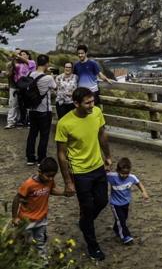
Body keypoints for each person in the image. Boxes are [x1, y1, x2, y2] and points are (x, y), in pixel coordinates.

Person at [56, 87, 112, 261]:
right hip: (80, 172)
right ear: (76, 103)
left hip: (98, 166)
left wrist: (108, 155)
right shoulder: (65, 123)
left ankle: (84, 223)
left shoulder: (96, 112)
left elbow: (102, 134)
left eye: (92, 101)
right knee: (87, 209)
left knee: (102, 201)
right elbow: (61, 154)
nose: (91, 105)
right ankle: (93, 246)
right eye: (87, 103)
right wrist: (68, 181)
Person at [12, 157, 65, 257]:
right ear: (40, 172)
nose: (51, 179)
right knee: (24, 245)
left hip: (41, 220)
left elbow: (51, 190)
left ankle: (42, 262)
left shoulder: (49, 181)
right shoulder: (28, 184)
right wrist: (14, 217)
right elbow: (17, 199)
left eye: (53, 176)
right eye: (48, 176)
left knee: (40, 243)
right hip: (26, 221)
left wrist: (64, 193)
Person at [107, 157, 149, 245]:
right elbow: (101, 175)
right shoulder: (112, 176)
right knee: (121, 220)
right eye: (122, 173)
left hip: (126, 203)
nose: (124, 175)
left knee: (123, 218)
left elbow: (139, 183)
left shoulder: (132, 177)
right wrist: (106, 167)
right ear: (118, 170)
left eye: (126, 173)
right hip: (115, 204)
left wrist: (144, 192)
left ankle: (116, 228)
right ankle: (126, 237)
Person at [25, 54, 57, 166]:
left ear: (37, 63)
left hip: (32, 109)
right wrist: (52, 74)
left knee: (32, 134)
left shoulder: (30, 74)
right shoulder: (48, 78)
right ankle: (41, 159)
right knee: (44, 135)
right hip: (44, 111)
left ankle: (30, 158)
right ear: (47, 64)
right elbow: (55, 87)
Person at [14, 49, 36, 126]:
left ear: (28, 55)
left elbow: (27, 62)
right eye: (21, 54)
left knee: (29, 104)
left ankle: (30, 121)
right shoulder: (20, 65)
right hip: (21, 87)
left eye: (24, 54)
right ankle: (23, 120)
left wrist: (18, 56)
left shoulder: (32, 62)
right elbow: (14, 71)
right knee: (21, 105)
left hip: (29, 87)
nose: (22, 56)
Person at [5, 49, 22, 129]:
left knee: (20, 105)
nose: (18, 56)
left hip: (22, 88)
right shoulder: (9, 64)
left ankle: (18, 121)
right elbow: (8, 75)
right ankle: (10, 122)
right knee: (12, 105)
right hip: (13, 87)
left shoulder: (23, 64)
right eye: (16, 54)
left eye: (19, 54)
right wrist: (13, 67)